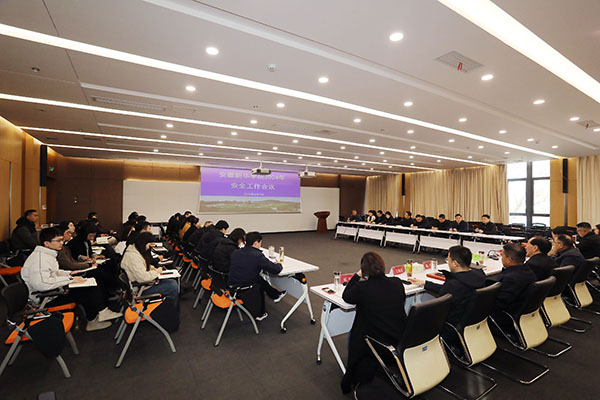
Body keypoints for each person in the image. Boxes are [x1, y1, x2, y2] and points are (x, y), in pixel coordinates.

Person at [20, 227, 120, 331]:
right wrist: (70, 280)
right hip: (45, 298)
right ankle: (93, 320)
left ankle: (100, 313)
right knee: (86, 290)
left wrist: (70, 274)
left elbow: (54, 273)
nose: (62, 243)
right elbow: (42, 284)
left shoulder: (47, 255)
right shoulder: (40, 259)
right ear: (47, 243)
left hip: (52, 292)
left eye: (62, 240)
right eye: (58, 240)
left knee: (88, 283)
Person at [341, 252, 407, 394]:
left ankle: (354, 370)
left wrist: (357, 275)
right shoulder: (397, 282)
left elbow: (346, 296)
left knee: (354, 334)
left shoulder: (362, 288)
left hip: (377, 344)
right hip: (399, 338)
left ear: (364, 269)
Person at [409, 246, 485, 327]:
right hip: (472, 323)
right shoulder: (479, 276)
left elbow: (438, 310)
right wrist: (425, 283)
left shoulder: (453, 285)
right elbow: (449, 291)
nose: (448, 263)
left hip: (449, 326)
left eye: (448, 260)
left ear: (455, 263)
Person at [228, 231, 286, 320]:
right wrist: (279, 264)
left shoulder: (236, 252)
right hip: (243, 289)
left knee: (259, 278)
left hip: (231, 284)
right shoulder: (257, 255)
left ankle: (275, 295)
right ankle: (260, 314)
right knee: (258, 281)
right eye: (260, 243)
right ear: (255, 243)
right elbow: (275, 270)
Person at [120, 232, 179, 302]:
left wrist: (152, 268)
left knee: (171, 282)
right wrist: (156, 272)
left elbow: (142, 266)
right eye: (149, 245)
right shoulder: (133, 257)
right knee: (173, 286)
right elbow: (143, 278)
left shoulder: (134, 252)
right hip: (141, 289)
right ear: (143, 244)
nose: (148, 247)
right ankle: (171, 307)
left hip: (142, 285)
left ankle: (169, 306)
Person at [492, 243, 537, 314]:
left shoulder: (511, 279)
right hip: (522, 311)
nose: (501, 259)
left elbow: (499, 304)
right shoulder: (529, 272)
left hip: (505, 314)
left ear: (509, 260)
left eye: (502, 256)